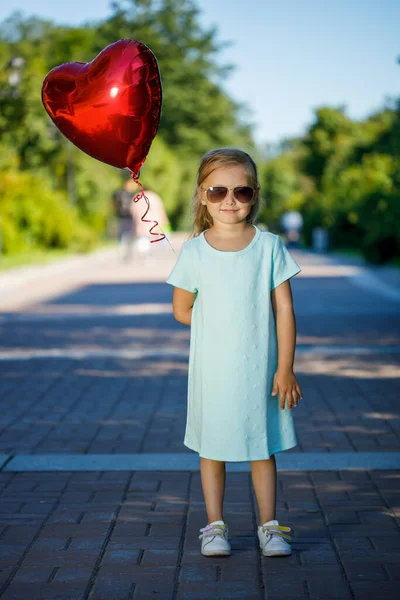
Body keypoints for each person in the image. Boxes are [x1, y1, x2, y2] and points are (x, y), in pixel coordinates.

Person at [165, 148, 303, 558]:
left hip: (262, 369)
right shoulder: (193, 251)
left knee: (262, 446)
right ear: (202, 195)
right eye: (218, 190)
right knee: (214, 446)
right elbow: (181, 309)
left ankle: (269, 526)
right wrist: (221, 325)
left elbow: (284, 309)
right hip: (214, 371)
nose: (229, 200)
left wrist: (286, 368)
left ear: (254, 195)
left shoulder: (269, 247)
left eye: (241, 191)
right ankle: (215, 527)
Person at [112, 178, 136, 261]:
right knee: (125, 236)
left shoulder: (118, 193)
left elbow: (114, 204)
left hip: (125, 217)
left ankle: (126, 253)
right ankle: (125, 253)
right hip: (125, 217)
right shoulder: (127, 194)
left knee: (124, 236)